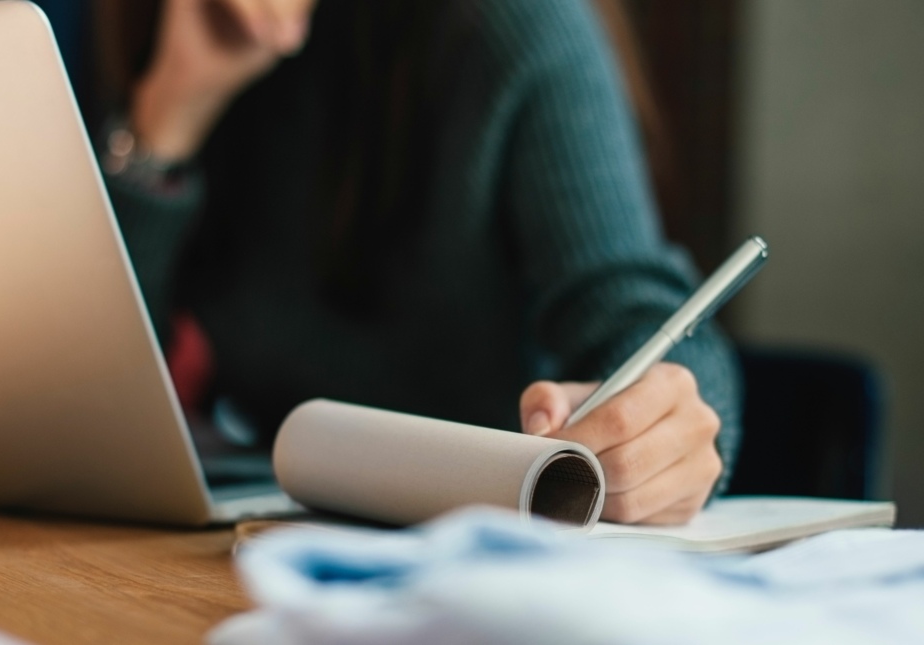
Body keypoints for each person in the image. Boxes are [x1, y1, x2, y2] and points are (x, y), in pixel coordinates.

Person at [89, 0, 741, 525]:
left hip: (492, 559)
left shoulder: (515, 25)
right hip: (278, 538)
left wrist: (669, 423)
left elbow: (633, 308)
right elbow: (88, 391)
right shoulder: (175, 21)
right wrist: (171, 108)